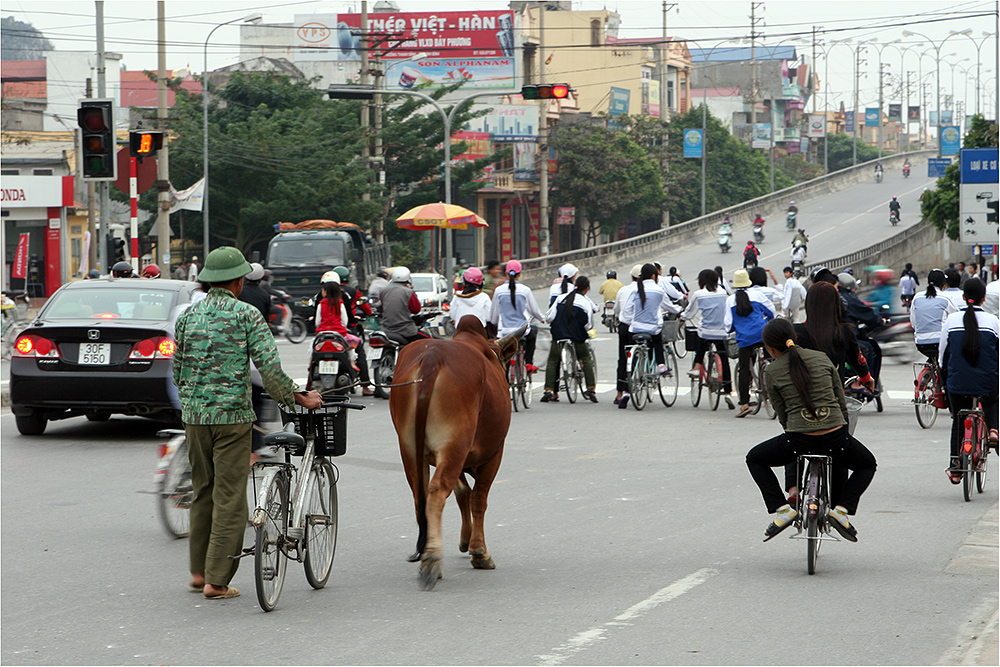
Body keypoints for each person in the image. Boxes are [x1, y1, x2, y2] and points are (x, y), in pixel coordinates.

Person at [173, 246, 322, 600]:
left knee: (203, 491)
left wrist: (197, 399)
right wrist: (296, 396)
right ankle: (217, 580)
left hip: (194, 418)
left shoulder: (187, 317)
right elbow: (269, 370)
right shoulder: (246, 315)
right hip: (233, 419)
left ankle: (197, 573)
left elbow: (178, 371)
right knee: (229, 496)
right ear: (238, 281)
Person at [745, 319, 877, 543]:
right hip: (836, 438)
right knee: (867, 464)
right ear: (793, 338)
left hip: (798, 440)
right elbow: (839, 399)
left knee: (754, 458)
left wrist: (795, 430)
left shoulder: (772, 371)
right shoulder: (821, 358)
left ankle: (783, 509)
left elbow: (782, 413)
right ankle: (842, 511)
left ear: (769, 348)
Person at [940, 278, 999, 482]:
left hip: (957, 384)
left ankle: (956, 468)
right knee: (991, 400)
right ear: (984, 298)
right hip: (987, 382)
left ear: (964, 298)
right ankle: (993, 429)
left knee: (958, 421)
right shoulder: (993, 322)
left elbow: (942, 358)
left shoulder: (951, 321)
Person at [796, 281, 874, 388]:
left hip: (802, 396)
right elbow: (858, 360)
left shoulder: (796, 332)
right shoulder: (844, 332)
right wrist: (866, 378)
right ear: (836, 304)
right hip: (834, 396)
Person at [725, 268, 776, 417]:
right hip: (762, 335)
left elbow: (727, 325)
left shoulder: (730, 300)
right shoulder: (758, 295)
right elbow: (771, 312)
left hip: (745, 339)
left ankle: (745, 404)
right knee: (770, 361)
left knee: (744, 370)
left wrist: (736, 327)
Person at [681, 268, 734, 408]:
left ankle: (697, 366)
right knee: (724, 360)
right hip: (722, 332)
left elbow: (689, 313)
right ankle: (728, 392)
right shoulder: (723, 293)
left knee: (701, 341)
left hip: (706, 332)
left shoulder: (699, 294)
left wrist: (681, 319)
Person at [542, 276, 599, 403]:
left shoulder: (560, 298)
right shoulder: (585, 302)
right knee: (585, 357)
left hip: (559, 335)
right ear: (587, 289)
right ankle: (591, 388)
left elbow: (550, 317)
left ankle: (548, 390)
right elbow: (589, 325)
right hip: (577, 336)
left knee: (552, 360)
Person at [625, 263, 682, 386]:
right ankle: (661, 365)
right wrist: (679, 309)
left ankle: (626, 390)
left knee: (633, 353)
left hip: (634, 329)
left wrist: (634, 321)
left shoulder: (635, 290)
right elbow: (670, 307)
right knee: (657, 341)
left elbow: (626, 312)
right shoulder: (659, 291)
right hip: (652, 329)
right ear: (653, 276)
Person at [488, 259, 545, 372]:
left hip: (504, 333)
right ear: (520, 274)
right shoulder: (525, 290)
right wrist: (542, 319)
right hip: (523, 331)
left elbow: (493, 317)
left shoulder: (498, 291)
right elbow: (534, 311)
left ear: (506, 273)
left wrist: (495, 322)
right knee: (533, 331)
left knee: (503, 359)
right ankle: (528, 363)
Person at [910, 269, 957, 362]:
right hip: (940, 341)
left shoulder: (917, 297)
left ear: (927, 282)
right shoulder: (946, 298)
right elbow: (955, 318)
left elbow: (914, 323)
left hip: (920, 342)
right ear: (944, 284)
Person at [613, 264, 642, 407]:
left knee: (623, 359)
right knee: (640, 355)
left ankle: (619, 393)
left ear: (632, 276)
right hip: (639, 328)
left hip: (624, 327)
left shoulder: (623, 290)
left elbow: (617, 310)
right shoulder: (648, 290)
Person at [380, 267, 428, 346]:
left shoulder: (384, 291)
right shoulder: (408, 292)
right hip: (405, 330)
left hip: (386, 329)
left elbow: (382, 307)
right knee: (429, 341)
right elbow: (416, 310)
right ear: (407, 280)